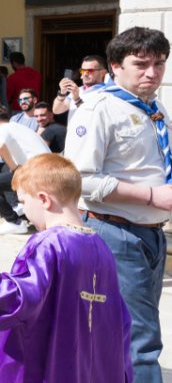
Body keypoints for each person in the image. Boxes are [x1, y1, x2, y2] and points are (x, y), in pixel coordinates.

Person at [0, 154, 132, 382]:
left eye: (23, 201)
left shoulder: (49, 243)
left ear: (44, 199)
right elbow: (121, 320)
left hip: (45, 365)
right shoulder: (101, 247)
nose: (23, 210)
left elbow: (19, 298)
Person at [65, 27, 172, 381]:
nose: (152, 73)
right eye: (141, 64)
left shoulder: (154, 107)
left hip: (152, 234)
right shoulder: (98, 108)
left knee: (129, 333)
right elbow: (80, 179)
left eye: (159, 63)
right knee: (141, 341)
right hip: (116, 233)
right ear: (115, 66)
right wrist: (152, 196)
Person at [0, 106, 50, 235]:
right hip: (47, 168)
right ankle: (19, 207)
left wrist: (16, 169)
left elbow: (0, 146)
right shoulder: (18, 127)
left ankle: (14, 222)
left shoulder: (3, 129)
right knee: (6, 171)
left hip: (35, 171)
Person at [53, 54, 108, 120]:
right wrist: (62, 93)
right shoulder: (78, 90)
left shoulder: (107, 92)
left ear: (103, 72)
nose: (85, 74)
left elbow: (92, 118)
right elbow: (56, 110)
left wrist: (77, 99)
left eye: (90, 71)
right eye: (83, 71)